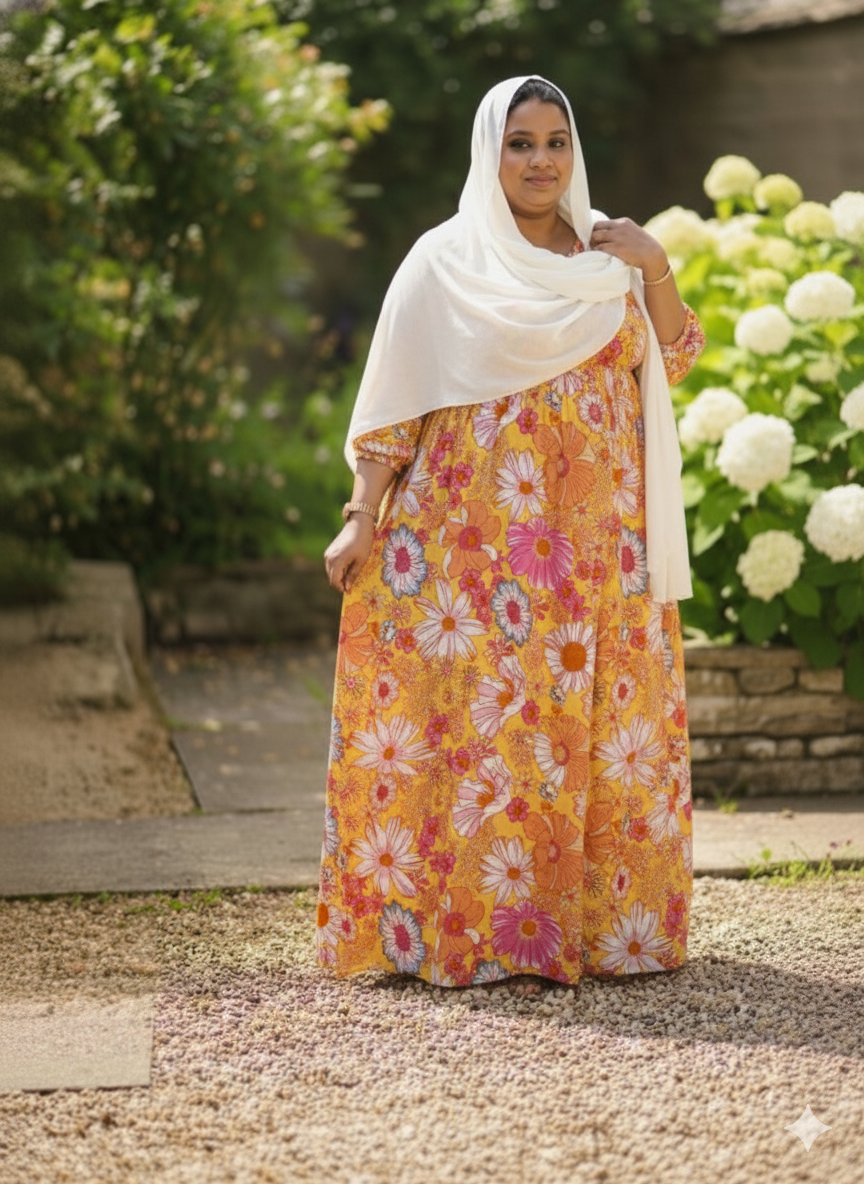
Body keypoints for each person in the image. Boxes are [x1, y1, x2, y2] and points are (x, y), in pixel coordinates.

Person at [317, 75, 705, 988]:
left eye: (555, 142)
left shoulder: (608, 255)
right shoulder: (443, 263)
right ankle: (480, 928)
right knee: (486, 737)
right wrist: (361, 518)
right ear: (489, 154)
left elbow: (676, 357)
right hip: (474, 554)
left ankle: (598, 927)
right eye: (520, 143)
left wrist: (654, 266)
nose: (541, 161)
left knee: (586, 729)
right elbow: (393, 407)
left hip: (601, 550)